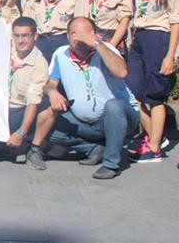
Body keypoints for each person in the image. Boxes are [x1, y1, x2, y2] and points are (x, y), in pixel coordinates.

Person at [26, 17, 138, 180]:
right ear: (67, 35)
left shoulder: (106, 50)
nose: (78, 38)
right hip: (84, 123)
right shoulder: (61, 54)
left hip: (118, 118)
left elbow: (122, 72)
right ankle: (93, 148)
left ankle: (111, 163)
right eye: (74, 33)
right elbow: (49, 83)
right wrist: (52, 92)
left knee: (113, 106)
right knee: (44, 121)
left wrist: (97, 44)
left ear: (93, 34)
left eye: (84, 33)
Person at [125, 0, 179, 164]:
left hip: (159, 38)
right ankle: (154, 137)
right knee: (132, 91)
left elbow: (176, 22)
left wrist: (170, 55)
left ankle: (154, 146)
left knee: (155, 96)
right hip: (139, 38)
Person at [0, 17, 48, 163]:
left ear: (35, 36)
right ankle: (8, 146)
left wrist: (21, 132)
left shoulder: (39, 64)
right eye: (16, 36)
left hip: (17, 110)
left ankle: (26, 140)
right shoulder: (5, 50)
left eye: (25, 36)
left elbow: (33, 103)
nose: (20, 41)